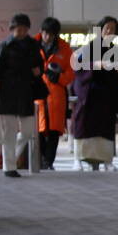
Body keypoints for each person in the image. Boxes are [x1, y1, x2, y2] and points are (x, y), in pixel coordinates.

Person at [0, 13, 44, 177]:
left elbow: (40, 66)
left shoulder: (34, 45)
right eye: (18, 29)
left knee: (27, 131)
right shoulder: (5, 45)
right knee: (9, 131)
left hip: (26, 92)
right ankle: (9, 166)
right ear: (12, 29)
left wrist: (38, 72)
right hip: (7, 93)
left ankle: (12, 158)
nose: (21, 32)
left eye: (25, 29)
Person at [71, 17, 118, 171]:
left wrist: (117, 67)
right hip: (89, 94)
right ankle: (78, 159)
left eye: (113, 29)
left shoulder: (116, 50)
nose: (109, 31)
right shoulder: (88, 47)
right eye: (107, 28)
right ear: (101, 29)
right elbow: (77, 66)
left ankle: (107, 160)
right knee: (83, 127)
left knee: (106, 128)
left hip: (106, 95)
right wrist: (96, 65)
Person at [34, 17, 74, 171]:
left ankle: (48, 161)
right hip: (37, 93)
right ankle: (40, 159)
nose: (47, 37)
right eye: (45, 33)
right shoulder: (32, 46)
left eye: (51, 34)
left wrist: (59, 77)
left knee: (54, 130)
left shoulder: (64, 48)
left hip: (56, 94)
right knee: (38, 129)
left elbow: (71, 73)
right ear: (41, 31)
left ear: (56, 34)